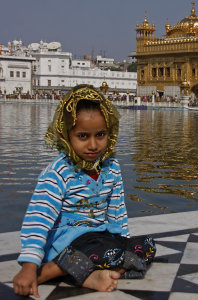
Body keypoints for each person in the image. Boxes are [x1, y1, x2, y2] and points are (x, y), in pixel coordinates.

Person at [13, 84, 156, 298]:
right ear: (66, 135)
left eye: (100, 134)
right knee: (96, 250)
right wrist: (29, 265)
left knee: (146, 245)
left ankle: (99, 273)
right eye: (82, 136)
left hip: (99, 238)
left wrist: (123, 244)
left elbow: (116, 209)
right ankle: (46, 272)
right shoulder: (59, 172)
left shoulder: (111, 166)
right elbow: (39, 217)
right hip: (67, 244)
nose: (93, 145)